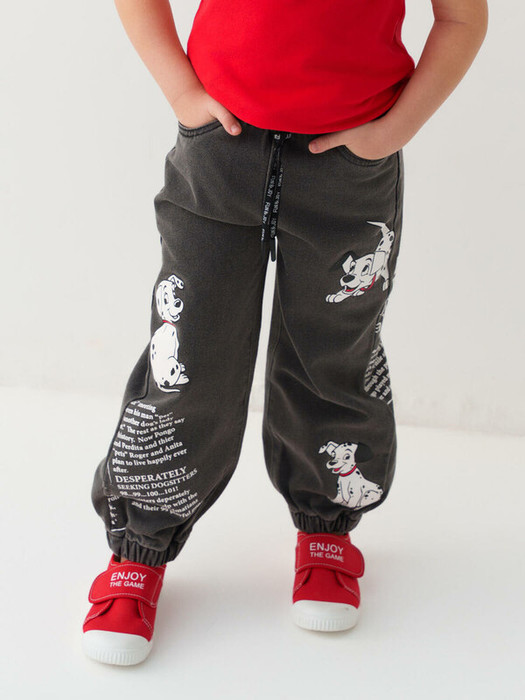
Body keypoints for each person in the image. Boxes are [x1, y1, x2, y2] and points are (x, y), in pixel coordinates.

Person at [82, 0, 488, 665]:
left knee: (333, 352)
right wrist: (181, 91)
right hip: (220, 154)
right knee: (187, 356)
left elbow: (462, 19)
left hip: (349, 170)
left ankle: (327, 527)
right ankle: (137, 550)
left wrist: (392, 132)